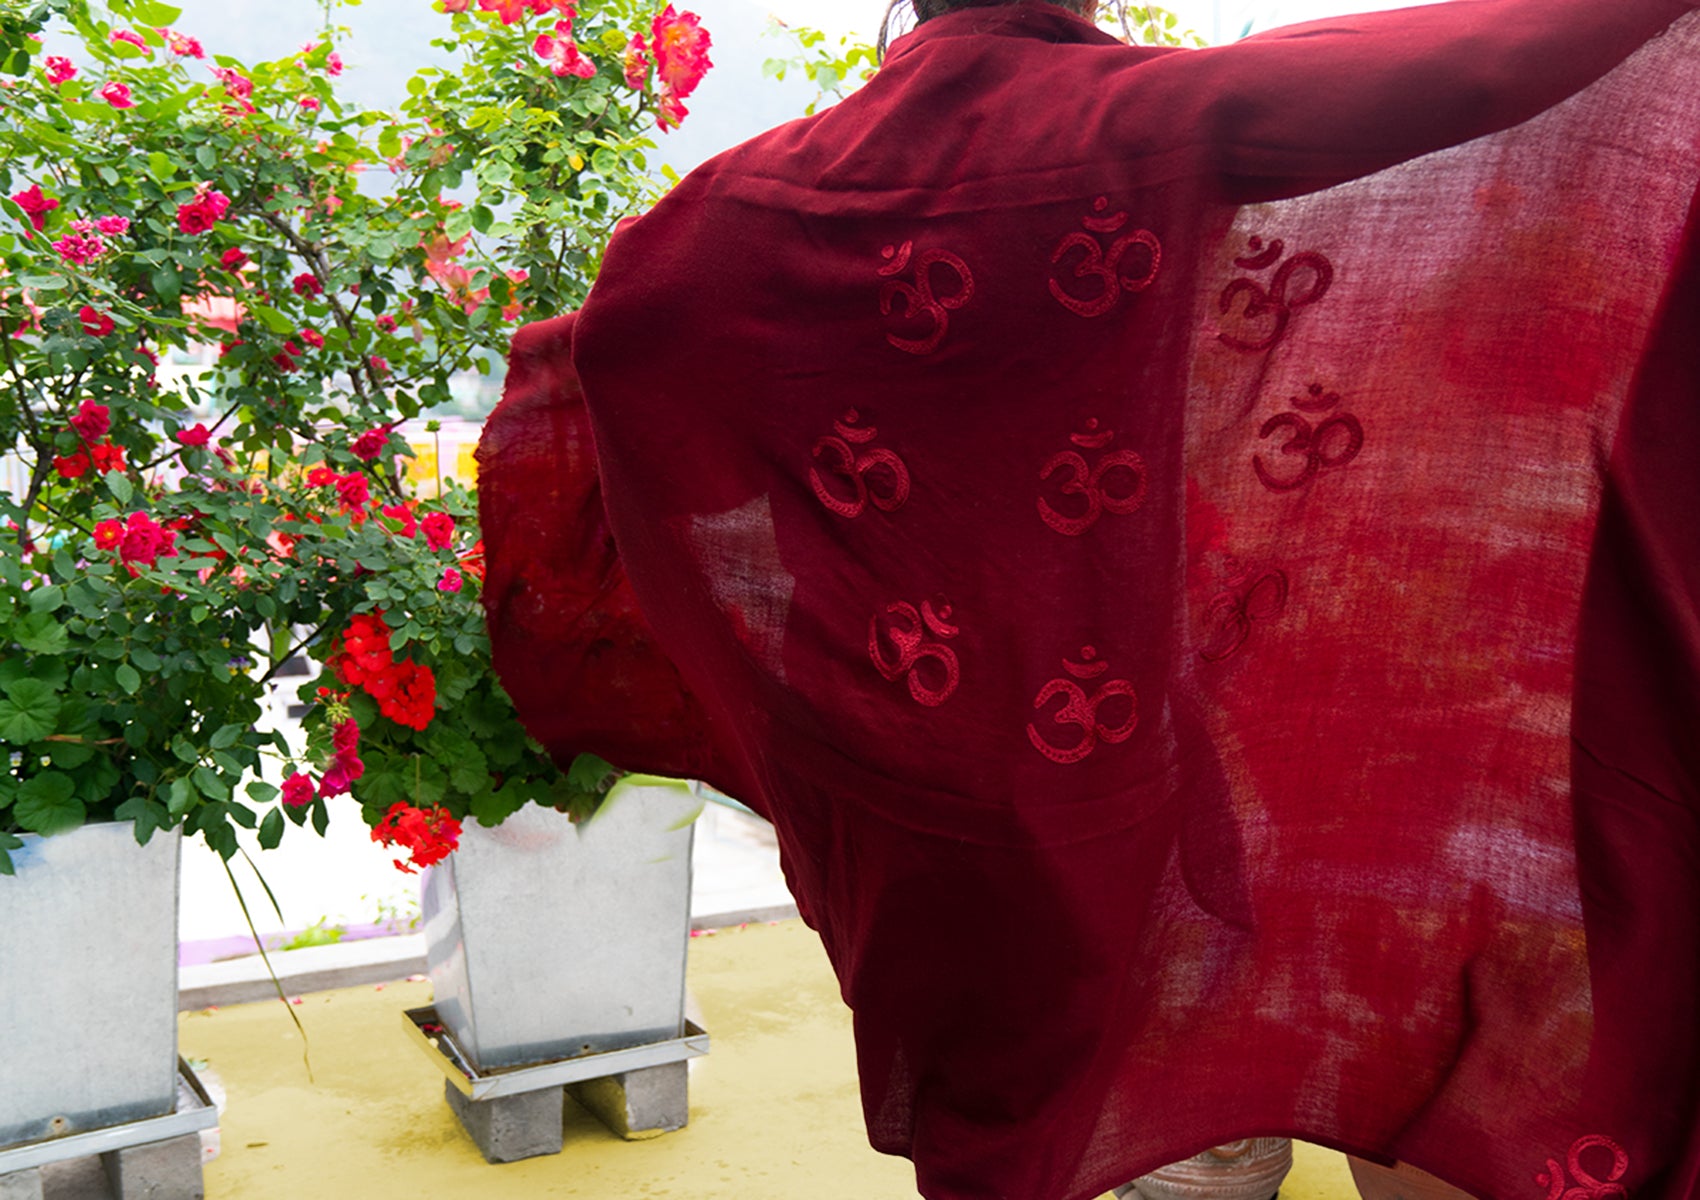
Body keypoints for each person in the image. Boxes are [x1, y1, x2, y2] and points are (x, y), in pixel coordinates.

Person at [476, 2, 1700, 1197]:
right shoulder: (1148, 125)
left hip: (888, 786)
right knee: (1175, 1086)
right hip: (1111, 776)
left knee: (985, 1118)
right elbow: (1476, 61)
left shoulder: (737, 210)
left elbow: (611, 377)